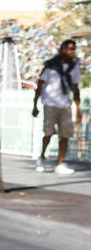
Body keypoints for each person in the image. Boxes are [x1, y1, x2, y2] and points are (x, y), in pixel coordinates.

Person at [33, 39, 81, 174]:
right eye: (70, 49)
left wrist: (78, 108)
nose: (73, 52)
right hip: (50, 103)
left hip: (65, 104)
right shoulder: (50, 65)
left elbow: (76, 88)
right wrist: (35, 105)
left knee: (65, 135)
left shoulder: (74, 67)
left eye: (74, 49)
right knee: (48, 133)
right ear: (64, 50)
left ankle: (59, 163)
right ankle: (42, 157)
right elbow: (40, 85)